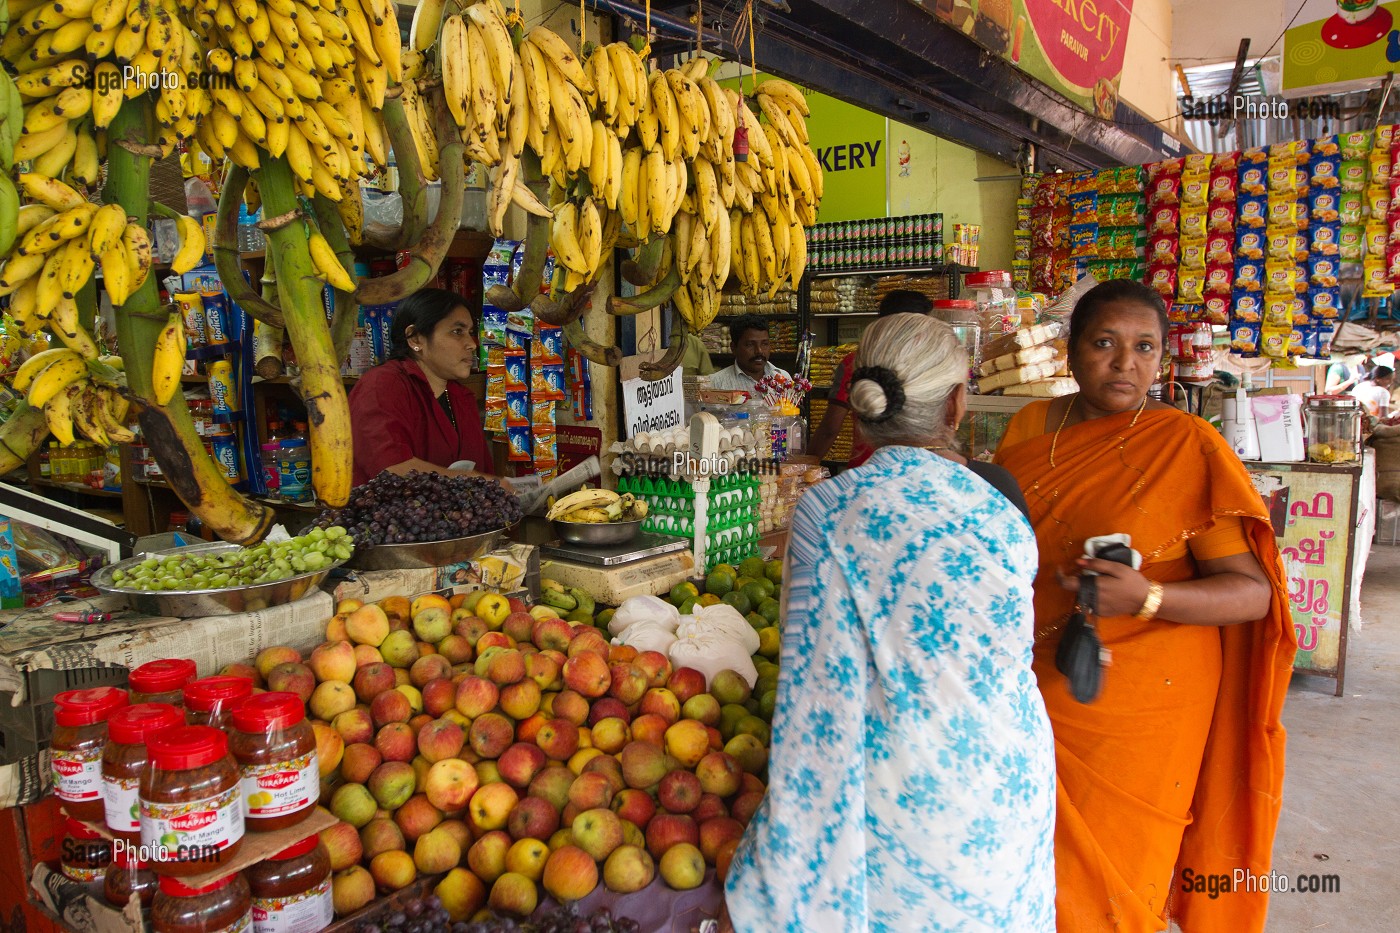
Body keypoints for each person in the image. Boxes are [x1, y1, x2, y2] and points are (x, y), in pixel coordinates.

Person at [724, 313, 1055, 931]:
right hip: (1008, 784)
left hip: (894, 797)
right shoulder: (1002, 499)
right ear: (955, 405)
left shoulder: (828, 511)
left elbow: (814, 693)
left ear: (859, 404)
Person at [993, 280, 1295, 933]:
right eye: (1104, 343)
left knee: (1123, 865)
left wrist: (1149, 596)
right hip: (1041, 674)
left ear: (1162, 358)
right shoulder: (1029, 427)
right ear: (1071, 350)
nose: (1124, 363)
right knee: (1033, 855)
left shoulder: (1186, 443)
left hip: (1148, 697)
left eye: (1144, 347)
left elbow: (1250, 592)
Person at [349, 289, 494, 487]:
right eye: (457, 332)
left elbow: (485, 477)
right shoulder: (382, 385)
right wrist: (474, 482)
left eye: (470, 333)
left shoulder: (462, 397)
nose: (471, 344)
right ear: (415, 338)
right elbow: (391, 470)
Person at [808, 289, 933, 465]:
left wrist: (805, 466)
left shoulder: (854, 362)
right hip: (918, 469)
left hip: (866, 468)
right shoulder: (930, 365)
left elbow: (830, 429)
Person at [704, 315, 791, 392]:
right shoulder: (716, 384)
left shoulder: (783, 378)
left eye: (764, 344)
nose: (759, 351)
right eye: (750, 345)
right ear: (733, 348)